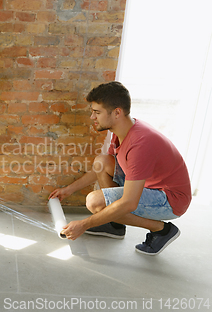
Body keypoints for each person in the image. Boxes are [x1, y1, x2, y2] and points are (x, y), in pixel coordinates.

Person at [49, 81, 192, 255]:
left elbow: (129, 203)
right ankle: (115, 224)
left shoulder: (140, 144)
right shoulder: (122, 132)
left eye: (97, 112)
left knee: (95, 202)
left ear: (117, 112)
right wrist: (68, 190)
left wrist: (84, 224)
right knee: (103, 161)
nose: (92, 117)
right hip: (148, 184)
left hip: (169, 199)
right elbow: (101, 168)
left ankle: (162, 230)